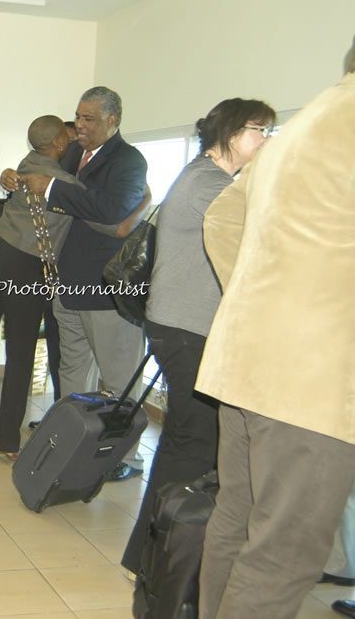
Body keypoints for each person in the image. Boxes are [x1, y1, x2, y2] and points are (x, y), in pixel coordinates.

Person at [195, 38, 355, 619]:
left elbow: (223, 217)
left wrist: (264, 300)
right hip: (310, 383)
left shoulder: (313, 118)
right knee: (284, 555)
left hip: (248, 364)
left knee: (237, 524)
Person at [119, 98, 275, 576]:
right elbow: (265, 235)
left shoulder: (208, 177)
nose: (266, 141)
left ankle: (151, 552)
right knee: (195, 439)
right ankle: (160, 555)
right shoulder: (211, 184)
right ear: (229, 131)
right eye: (258, 130)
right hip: (188, 327)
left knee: (188, 437)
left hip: (181, 323)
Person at [0, 116, 147, 451]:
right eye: (68, 138)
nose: (73, 142)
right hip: (24, 266)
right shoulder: (58, 181)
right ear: (58, 143)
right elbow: (110, 222)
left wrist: (7, 174)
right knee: (21, 354)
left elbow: (16, 179)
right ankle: (6, 440)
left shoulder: (27, 164)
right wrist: (143, 202)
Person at [10, 86, 148, 482]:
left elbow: (113, 209)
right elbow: (53, 187)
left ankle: (129, 456)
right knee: (72, 372)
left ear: (112, 120)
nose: (79, 126)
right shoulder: (73, 154)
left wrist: (52, 189)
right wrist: (18, 180)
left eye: (88, 119)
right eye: (78, 117)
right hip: (67, 283)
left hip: (105, 292)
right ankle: (72, 442)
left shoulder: (128, 161)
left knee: (120, 378)